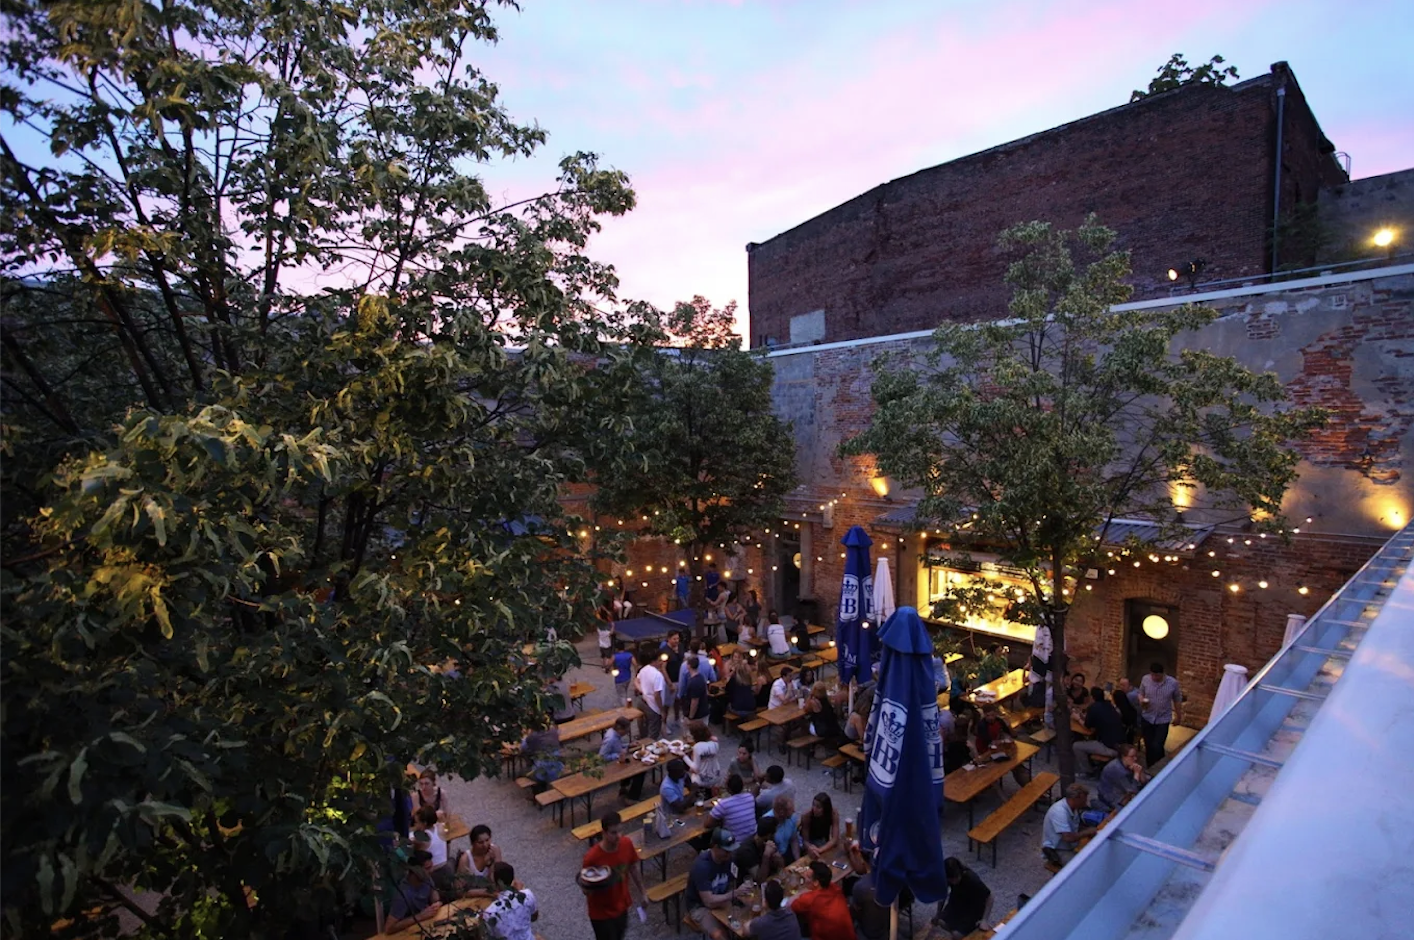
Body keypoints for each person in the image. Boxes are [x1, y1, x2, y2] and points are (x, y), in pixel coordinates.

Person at [580, 810, 647, 940]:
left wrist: (643, 892)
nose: (618, 836)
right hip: (601, 913)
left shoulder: (626, 844)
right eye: (613, 832)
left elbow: (633, 868)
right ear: (603, 833)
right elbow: (585, 889)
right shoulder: (592, 858)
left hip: (621, 906)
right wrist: (592, 885)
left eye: (620, 831)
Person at [684, 829, 751, 940]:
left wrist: (740, 895)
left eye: (731, 850)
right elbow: (708, 902)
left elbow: (731, 885)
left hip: (722, 899)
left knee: (744, 926)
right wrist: (734, 894)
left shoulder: (729, 859)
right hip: (700, 906)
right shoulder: (702, 866)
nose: (729, 854)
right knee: (720, 936)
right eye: (726, 850)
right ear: (715, 847)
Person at [1132, 662, 1183, 766]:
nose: (1154, 677)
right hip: (1147, 716)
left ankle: (1160, 765)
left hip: (1162, 719)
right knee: (1148, 745)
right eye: (1152, 675)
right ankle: (1151, 766)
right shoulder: (1145, 679)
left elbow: (1177, 699)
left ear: (1162, 674)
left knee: (1158, 745)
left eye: (1157, 675)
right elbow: (1140, 693)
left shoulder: (1172, 683)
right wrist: (1141, 700)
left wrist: (1178, 716)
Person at [788, 860, 853, 940]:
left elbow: (790, 906)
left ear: (816, 882)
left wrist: (800, 893)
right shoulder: (834, 887)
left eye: (807, 876)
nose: (804, 876)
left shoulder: (808, 899)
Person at [933, 857, 993, 938]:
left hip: (972, 908)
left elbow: (990, 897)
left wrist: (984, 920)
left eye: (955, 878)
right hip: (957, 901)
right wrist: (938, 913)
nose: (954, 881)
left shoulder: (972, 879)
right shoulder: (947, 877)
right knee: (941, 922)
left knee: (956, 934)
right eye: (951, 880)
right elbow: (942, 895)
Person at [384, 850, 440, 934]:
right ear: (414, 870)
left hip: (427, 925)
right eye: (427, 868)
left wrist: (435, 903)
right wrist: (420, 916)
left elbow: (434, 895)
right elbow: (388, 928)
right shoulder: (403, 894)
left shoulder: (426, 878)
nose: (431, 870)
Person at [1042, 783, 1098, 868]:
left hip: (1069, 845)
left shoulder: (1073, 808)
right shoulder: (1059, 812)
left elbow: (1075, 827)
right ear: (1075, 798)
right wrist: (1087, 832)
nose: (1085, 802)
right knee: (1080, 867)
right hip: (1058, 849)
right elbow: (1068, 838)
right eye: (1084, 799)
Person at [1074, 685, 1125, 774]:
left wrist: (1077, 718)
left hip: (1110, 747)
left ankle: (1088, 772)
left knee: (1076, 746)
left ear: (1092, 698)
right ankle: (1093, 763)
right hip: (1121, 743)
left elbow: (1087, 726)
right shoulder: (1108, 705)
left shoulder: (1093, 708)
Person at [974, 703, 1029, 785]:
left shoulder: (999, 721)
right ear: (984, 715)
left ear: (996, 713)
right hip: (985, 754)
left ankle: (1029, 785)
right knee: (1011, 766)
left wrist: (1009, 725)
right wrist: (1003, 741)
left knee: (1017, 766)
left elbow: (1014, 735)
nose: (991, 718)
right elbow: (991, 742)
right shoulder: (982, 726)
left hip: (998, 750)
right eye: (988, 715)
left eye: (992, 715)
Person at [481, 862, 537, 940]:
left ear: (498, 883)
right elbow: (534, 917)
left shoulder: (490, 912)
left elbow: (489, 935)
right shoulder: (527, 895)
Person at [846, 842, 890, 940]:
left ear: (861, 858)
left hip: (868, 932)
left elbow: (854, 912)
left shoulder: (861, 887)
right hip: (886, 926)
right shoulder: (890, 875)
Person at [599, 717, 645, 801]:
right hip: (610, 765)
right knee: (640, 771)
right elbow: (602, 757)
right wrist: (617, 756)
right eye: (626, 730)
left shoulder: (615, 734)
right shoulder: (611, 739)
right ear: (620, 729)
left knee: (633, 763)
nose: (627, 732)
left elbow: (618, 746)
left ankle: (624, 787)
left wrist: (629, 745)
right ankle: (632, 798)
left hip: (619, 760)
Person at [1094, 743, 1149, 813]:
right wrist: (1137, 773)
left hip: (1123, 788)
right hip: (1111, 796)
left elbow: (1145, 781)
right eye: (1132, 756)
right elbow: (1133, 790)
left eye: (1136, 756)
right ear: (1123, 756)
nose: (1135, 759)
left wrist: (1140, 772)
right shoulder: (1117, 769)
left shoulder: (1130, 763)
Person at [707, 773, 758, 843]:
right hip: (752, 839)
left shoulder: (723, 804)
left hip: (735, 843)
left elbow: (707, 824)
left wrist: (722, 820)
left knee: (714, 834)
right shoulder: (750, 797)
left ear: (728, 789)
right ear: (742, 786)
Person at [455, 824, 504, 896]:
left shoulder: (495, 850)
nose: (485, 845)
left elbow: (498, 881)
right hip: (474, 895)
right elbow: (459, 890)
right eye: (480, 842)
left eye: (487, 840)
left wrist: (491, 864)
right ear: (473, 843)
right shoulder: (465, 859)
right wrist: (484, 892)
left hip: (493, 893)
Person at [736, 815, 785, 882]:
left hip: (769, 879)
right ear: (769, 835)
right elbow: (760, 880)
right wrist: (766, 856)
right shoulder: (746, 851)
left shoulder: (770, 840)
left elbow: (781, 866)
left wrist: (778, 858)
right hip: (750, 887)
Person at [520, 719, 563, 789]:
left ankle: (537, 793)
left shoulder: (532, 737)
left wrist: (525, 736)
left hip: (542, 771)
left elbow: (523, 747)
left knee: (522, 771)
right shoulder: (553, 731)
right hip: (558, 768)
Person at [635, 647, 666, 740]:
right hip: (653, 706)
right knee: (653, 731)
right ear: (654, 661)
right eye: (660, 660)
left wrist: (643, 691)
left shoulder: (644, 669)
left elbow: (636, 681)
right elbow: (657, 695)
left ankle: (642, 741)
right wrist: (662, 709)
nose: (662, 663)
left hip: (642, 701)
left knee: (643, 727)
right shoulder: (658, 675)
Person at [798, 792, 839, 860]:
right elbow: (805, 840)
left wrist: (820, 850)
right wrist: (811, 848)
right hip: (810, 841)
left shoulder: (833, 814)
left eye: (818, 807)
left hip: (822, 840)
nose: (814, 809)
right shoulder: (807, 816)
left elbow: (835, 838)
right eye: (813, 805)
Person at [685, 721, 724, 791]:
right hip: (716, 776)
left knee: (689, 774)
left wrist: (683, 756)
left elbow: (695, 768)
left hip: (702, 781)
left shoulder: (697, 747)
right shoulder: (715, 743)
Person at [764, 793, 799, 862]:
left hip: (787, 852)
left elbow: (794, 839)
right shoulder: (766, 823)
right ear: (782, 812)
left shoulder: (792, 817)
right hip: (774, 860)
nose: (794, 811)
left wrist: (798, 861)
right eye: (790, 809)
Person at [660, 633, 684, 725]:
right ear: (669, 639)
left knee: (678, 701)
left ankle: (677, 718)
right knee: (667, 704)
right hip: (670, 680)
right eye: (674, 639)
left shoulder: (681, 646)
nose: (676, 641)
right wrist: (669, 683)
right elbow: (663, 668)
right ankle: (664, 723)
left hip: (679, 679)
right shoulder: (664, 651)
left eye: (677, 638)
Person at [681, 655, 711, 722]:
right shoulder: (701, 677)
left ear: (688, 665)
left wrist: (691, 717)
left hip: (697, 717)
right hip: (704, 712)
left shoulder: (693, 682)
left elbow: (694, 701)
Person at [1114, 678, 1139, 744]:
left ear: (1130, 686)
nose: (1121, 687)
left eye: (1123, 685)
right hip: (1132, 726)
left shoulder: (1130, 696)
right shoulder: (1136, 690)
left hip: (1135, 725)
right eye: (1120, 685)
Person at [597, 601, 616, 673]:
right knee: (608, 657)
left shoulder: (599, 629)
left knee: (603, 656)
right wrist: (613, 626)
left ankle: (603, 666)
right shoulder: (606, 632)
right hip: (607, 645)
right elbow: (611, 633)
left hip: (601, 644)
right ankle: (607, 668)